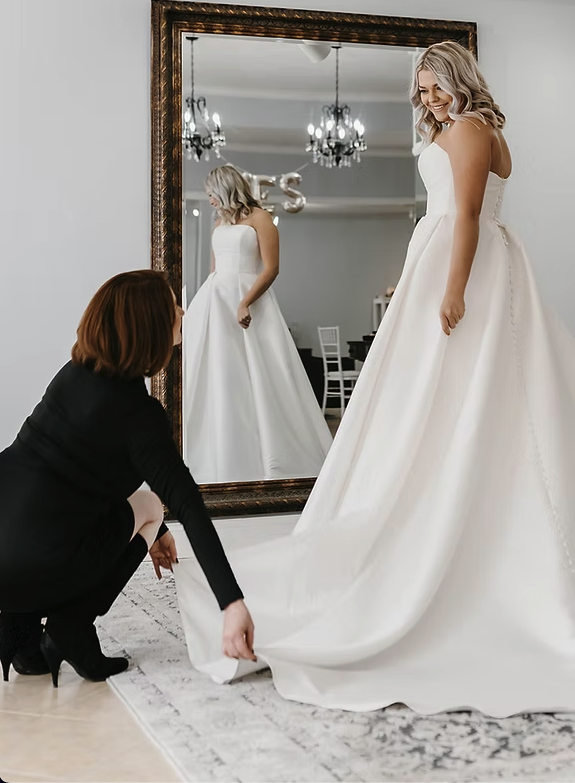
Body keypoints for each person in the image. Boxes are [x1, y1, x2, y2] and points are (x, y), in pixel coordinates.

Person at [176, 41, 575, 716]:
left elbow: (468, 218)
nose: (427, 100)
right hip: (447, 261)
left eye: (433, 87)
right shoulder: (462, 130)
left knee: (463, 400)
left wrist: (451, 292)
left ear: (459, 79)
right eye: (419, 92)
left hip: (465, 269)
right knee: (428, 405)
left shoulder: (474, 129)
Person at [0, 270, 255, 686]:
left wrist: (153, 536)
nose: (182, 312)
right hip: (36, 562)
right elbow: (188, 505)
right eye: (173, 307)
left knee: (49, 508)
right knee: (153, 506)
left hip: (5, 543)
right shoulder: (140, 417)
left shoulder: (73, 374)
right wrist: (232, 604)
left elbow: (73, 479)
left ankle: (22, 635)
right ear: (150, 327)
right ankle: (70, 628)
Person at [183, 164, 332, 483]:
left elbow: (272, 268)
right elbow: (213, 271)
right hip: (216, 301)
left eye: (212, 191)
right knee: (220, 376)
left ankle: (271, 457)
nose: (209, 198)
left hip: (249, 299)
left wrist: (245, 301)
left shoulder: (261, 218)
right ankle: (218, 453)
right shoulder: (218, 222)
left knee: (263, 377)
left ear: (226, 188)